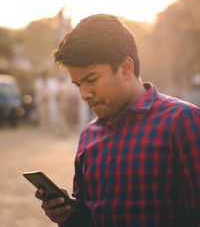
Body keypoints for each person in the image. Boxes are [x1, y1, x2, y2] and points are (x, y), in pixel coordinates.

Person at [36, 14, 200, 226]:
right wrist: (66, 216)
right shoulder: (89, 135)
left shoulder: (182, 121)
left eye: (91, 80)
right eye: (78, 84)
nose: (84, 94)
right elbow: (89, 218)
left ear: (126, 68)